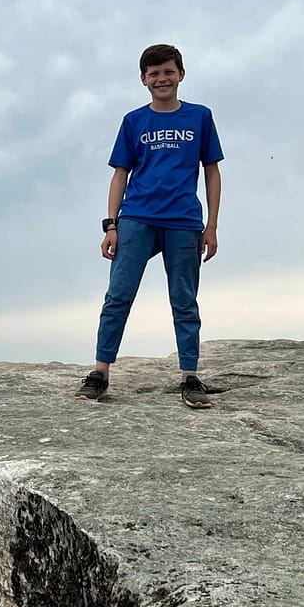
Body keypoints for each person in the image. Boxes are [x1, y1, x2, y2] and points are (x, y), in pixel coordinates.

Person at [75, 44, 223, 408]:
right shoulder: (134, 121)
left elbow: (212, 171)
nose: (162, 79)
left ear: (181, 75)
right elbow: (119, 174)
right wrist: (111, 225)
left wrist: (212, 226)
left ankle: (190, 377)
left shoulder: (199, 117)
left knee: (184, 301)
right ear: (143, 79)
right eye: (154, 73)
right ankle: (100, 373)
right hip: (137, 218)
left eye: (169, 71)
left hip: (184, 221)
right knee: (118, 296)